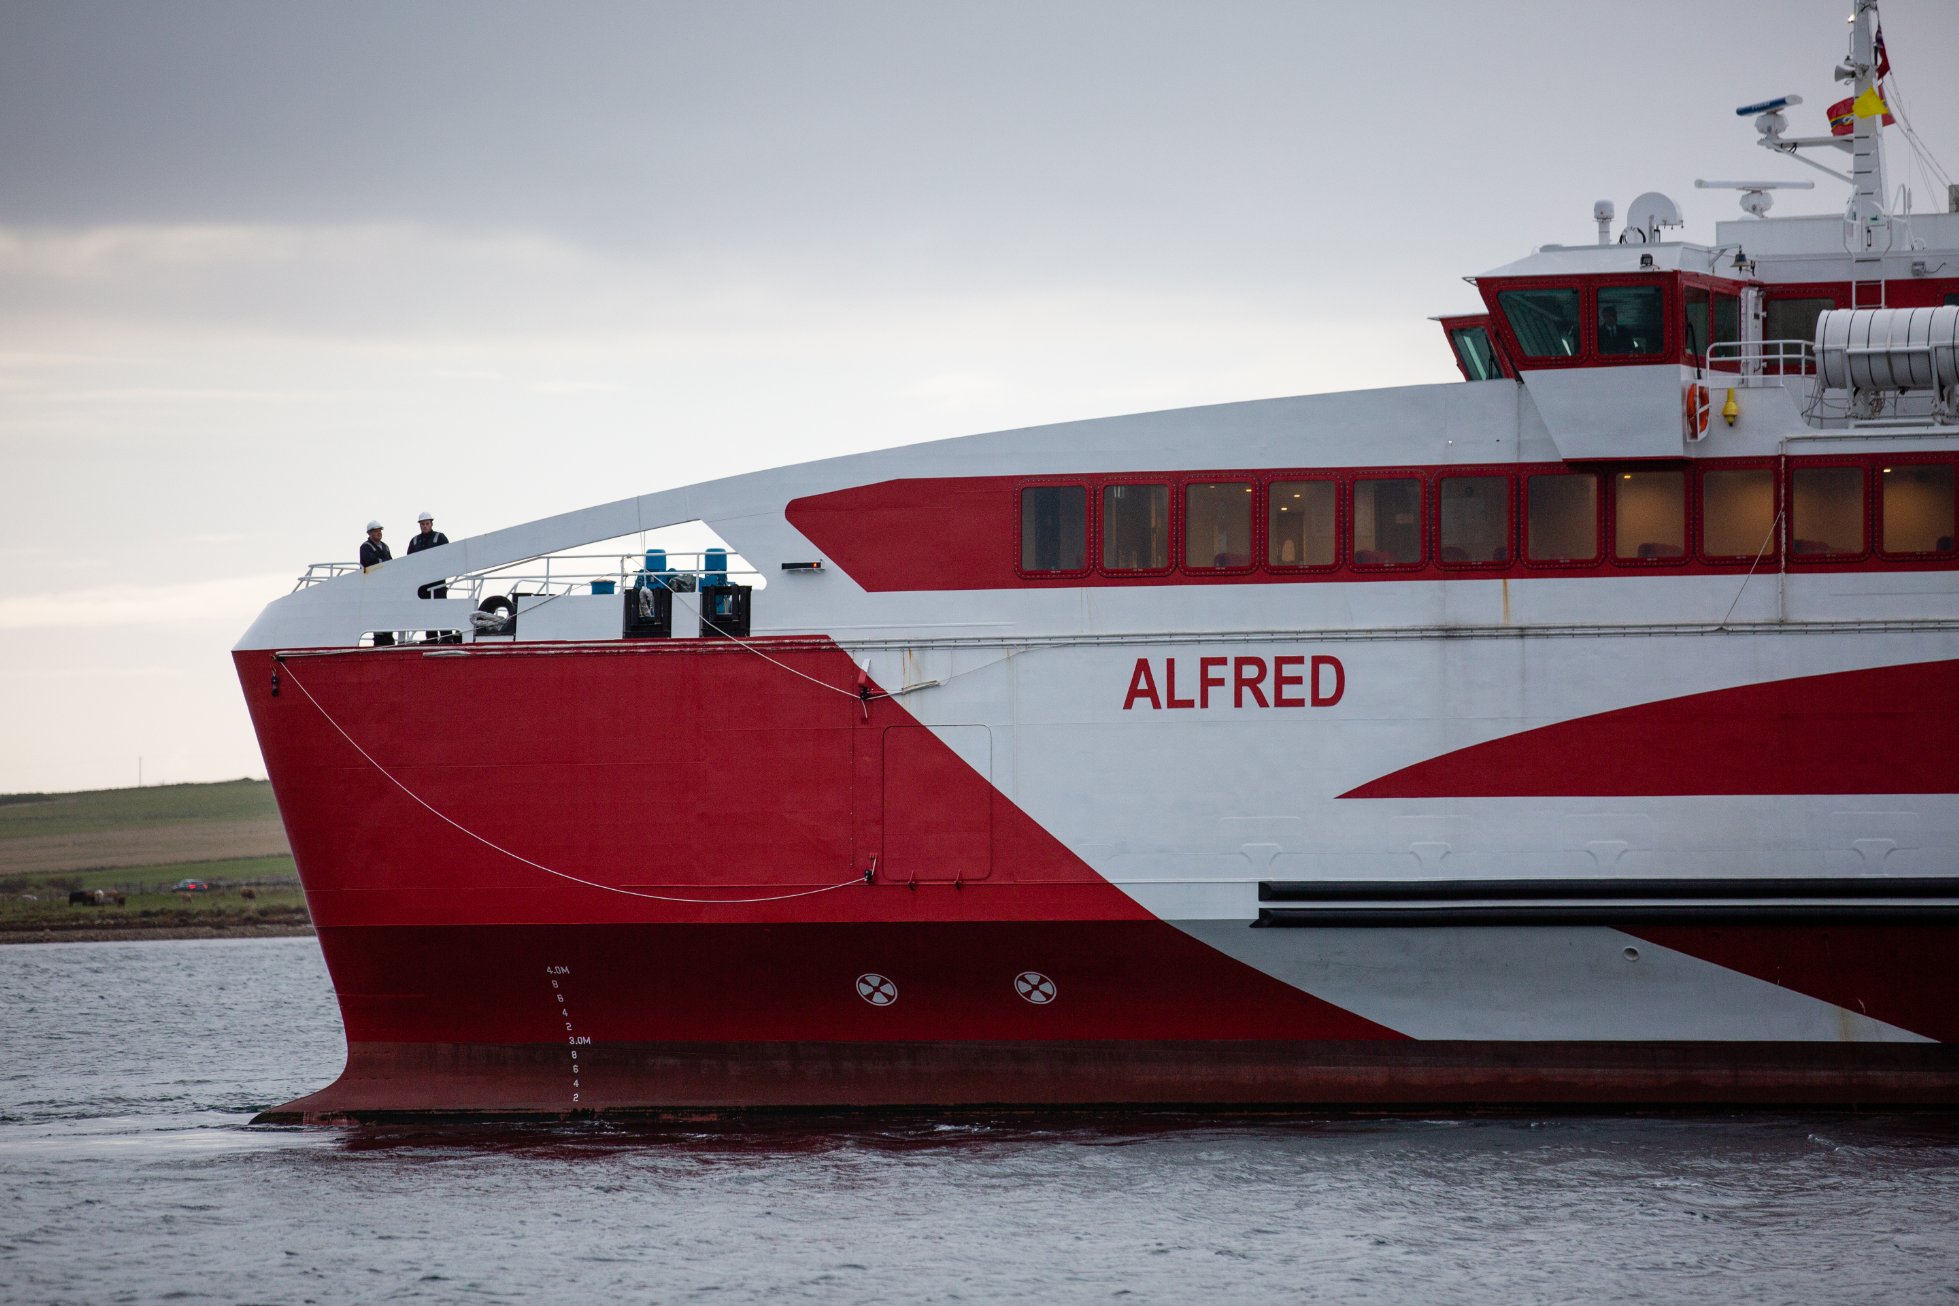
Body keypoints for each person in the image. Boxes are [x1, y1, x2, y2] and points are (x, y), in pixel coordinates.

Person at [407, 511, 455, 642]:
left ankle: (447, 637)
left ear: (431, 524)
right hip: (422, 585)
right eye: (422, 524)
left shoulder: (440, 538)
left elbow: (447, 558)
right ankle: (431, 638)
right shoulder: (415, 541)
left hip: (438, 582)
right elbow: (408, 562)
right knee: (427, 611)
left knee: (441, 610)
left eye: (427, 523)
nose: (424, 526)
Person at [359, 520, 395, 645]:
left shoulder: (385, 546)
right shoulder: (365, 547)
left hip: (385, 585)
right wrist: (383, 562)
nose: (379, 533)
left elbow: (390, 561)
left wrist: (383, 562)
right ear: (369, 533)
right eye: (376, 531)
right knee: (377, 612)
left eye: (380, 530)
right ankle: (379, 639)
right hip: (373, 585)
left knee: (387, 611)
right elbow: (370, 561)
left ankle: (388, 637)